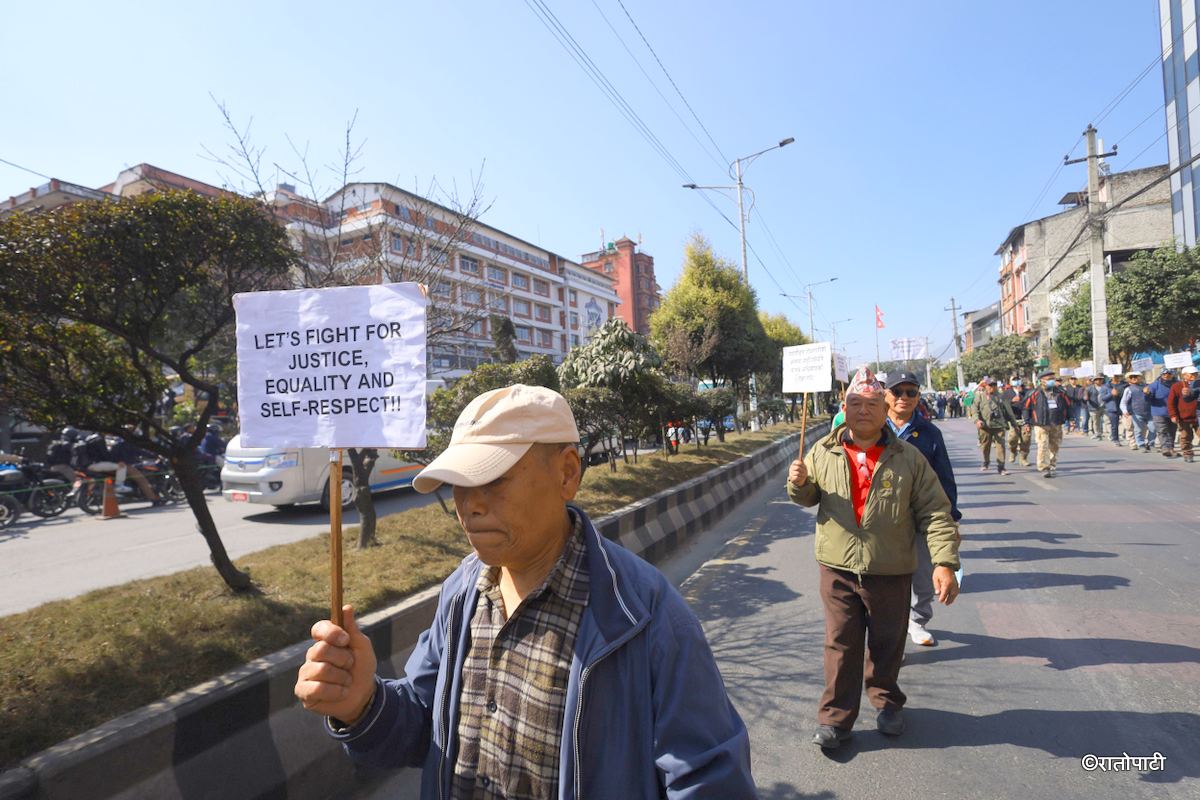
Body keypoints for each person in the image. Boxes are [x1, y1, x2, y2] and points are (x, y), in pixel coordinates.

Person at [295, 384, 754, 798]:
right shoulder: (462, 593)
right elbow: (424, 727)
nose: (469, 505)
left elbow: (708, 782)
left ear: (567, 473)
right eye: (458, 484)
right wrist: (362, 705)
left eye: (493, 479)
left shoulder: (646, 620)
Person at [787, 367, 959, 749]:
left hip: (890, 567)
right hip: (838, 568)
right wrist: (798, 483)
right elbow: (808, 498)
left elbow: (935, 511)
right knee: (840, 643)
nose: (862, 410)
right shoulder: (822, 450)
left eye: (870, 404)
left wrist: (945, 562)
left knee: (887, 641)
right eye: (854, 403)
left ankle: (887, 702)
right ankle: (835, 719)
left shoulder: (910, 458)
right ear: (843, 408)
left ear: (884, 410)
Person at [882, 372, 961, 648]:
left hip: (921, 517)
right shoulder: (873, 429)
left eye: (910, 392)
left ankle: (917, 621)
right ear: (885, 394)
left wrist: (952, 520)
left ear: (918, 397)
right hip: (883, 519)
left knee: (923, 576)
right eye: (897, 391)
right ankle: (891, 631)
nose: (903, 397)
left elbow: (945, 478)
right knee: (886, 580)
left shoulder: (930, 432)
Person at [1023, 370, 1070, 478]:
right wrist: (1026, 422)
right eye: (1049, 380)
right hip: (1041, 424)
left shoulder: (1061, 393)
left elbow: (1068, 406)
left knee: (1055, 446)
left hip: (1056, 423)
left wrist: (1070, 419)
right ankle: (1044, 467)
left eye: (1053, 379)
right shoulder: (1033, 393)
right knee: (1042, 445)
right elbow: (1026, 408)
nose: (1052, 381)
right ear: (1041, 381)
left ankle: (1052, 465)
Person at [972, 376, 1019, 474]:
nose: (992, 387)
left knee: (1001, 446)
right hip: (985, 426)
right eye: (990, 385)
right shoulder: (980, 396)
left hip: (998, 425)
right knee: (985, 446)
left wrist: (1014, 424)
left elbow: (1008, 411)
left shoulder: (1001, 396)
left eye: (994, 385)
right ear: (986, 386)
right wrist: (977, 421)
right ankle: (986, 461)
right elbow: (974, 409)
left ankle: (1001, 467)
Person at [1147, 367, 1179, 458]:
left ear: (1172, 375)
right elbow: (1148, 399)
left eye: (1169, 374)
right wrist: (1147, 394)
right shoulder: (1154, 385)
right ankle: (1165, 448)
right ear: (1161, 375)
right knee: (1162, 430)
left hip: (1173, 412)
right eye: (1164, 374)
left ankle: (1171, 448)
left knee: (1172, 431)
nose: (1166, 376)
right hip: (1158, 412)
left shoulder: (1177, 384)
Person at [1169, 365, 1198, 463]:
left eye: (1196, 373)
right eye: (1192, 374)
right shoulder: (1177, 386)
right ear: (1184, 375)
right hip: (1184, 417)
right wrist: (1173, 415)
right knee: (1185, 436)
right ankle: (1187, 453)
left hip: (1198, 415)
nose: (1194, 375)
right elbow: (1171, 402)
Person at [1121, 371, 1154, 452]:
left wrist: (1149, 392)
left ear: (1140, 377)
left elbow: (1154, 397)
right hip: (1136, 412)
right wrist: (1124, 411)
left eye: (1136, 376)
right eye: (1132, 377)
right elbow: (1123, 402)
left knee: (1153, 428)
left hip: (1149, 411)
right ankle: (1141, 444)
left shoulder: (1148, 386)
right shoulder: (1128, 389)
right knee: (1138, 429)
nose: (1134, 378)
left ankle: (1150, 444)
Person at [1001, 378, 1032, 466]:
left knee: (1026, 440)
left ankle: (1023, 458)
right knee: (1012, 438)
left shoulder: (1026, 392)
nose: (1017, 383)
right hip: (1013, 419)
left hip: (1025, 419)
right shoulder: (1007, 393)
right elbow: (1003, 405)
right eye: (1015, 381)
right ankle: (1013, 451)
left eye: (1018, 380)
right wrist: (1011, 401)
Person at [1105, 373, 1129, 447]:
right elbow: (1103, 398)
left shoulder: (1125, 385)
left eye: (1117, 376)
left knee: (1128, 424)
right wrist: (1111, 394)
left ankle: (1127, 437)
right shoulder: (1106, 386)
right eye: (1114, 376)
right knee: (1114, 425)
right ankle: (1116, 439)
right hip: (1112, 408)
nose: (1115, 377)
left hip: (1124, 407)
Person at [1085, 376, 1107, 442]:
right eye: (1097, 380)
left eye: (1100, 379)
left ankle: (1108, 434)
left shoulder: (1105, 387)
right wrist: (1086, 398)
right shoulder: (1089, 388)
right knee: (1096, 421)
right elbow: (1085, 397)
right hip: (1093, 407)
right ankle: (1098, 434)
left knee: (1107, 420)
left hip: (1104, 407)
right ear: (1094, 381)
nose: (1099, 381)